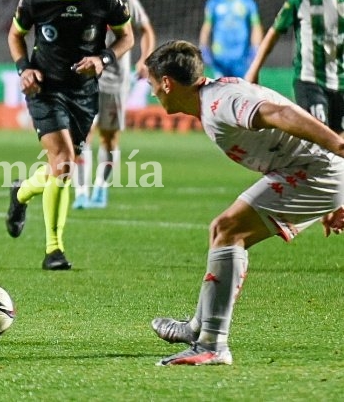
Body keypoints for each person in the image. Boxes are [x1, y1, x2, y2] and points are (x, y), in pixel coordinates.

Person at [145, 40, 344, 366]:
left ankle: (212, 345)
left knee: (228, 230)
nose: (153, 90)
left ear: (166, 83)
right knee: (222, 232)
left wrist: (336, 145)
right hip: (312, 172)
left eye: (152, 83)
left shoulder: (220, 103)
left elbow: (279, 112)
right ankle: (199, 327)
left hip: (314, 172)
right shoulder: (214, 97)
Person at [5, 0, 133, 270]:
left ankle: (21, 193)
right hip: (45, 90)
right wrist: (25, 69)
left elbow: (127, 36)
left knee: (60, 166)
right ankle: (53, 250)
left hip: (84, 94)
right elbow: (15, 35)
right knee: (63, 162)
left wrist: (102, 59)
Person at [72, 0, 156, 209]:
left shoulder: (124, 0)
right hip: (83, 80)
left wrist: (144, 60)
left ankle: (100, 188)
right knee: (81, 136)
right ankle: (81, 192)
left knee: (109, 138)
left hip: (116, 81)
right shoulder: (75, 0)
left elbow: (146, 30)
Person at [245, 0, 344, 134]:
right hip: (310, 81)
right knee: (319, 137)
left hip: (341, 82)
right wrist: (254, 69)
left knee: (337, 143)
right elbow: (273, 35)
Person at [199, 0, 263, 79]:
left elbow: (256, 26)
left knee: (243, 90)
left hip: (241, 56)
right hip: (220, 56)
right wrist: (203, 46)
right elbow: (207, 26)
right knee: (221, 90)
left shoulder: (248, 2)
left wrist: (256, 47)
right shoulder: (213, 2)